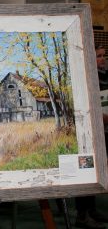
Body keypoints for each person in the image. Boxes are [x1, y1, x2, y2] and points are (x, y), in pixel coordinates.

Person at [74, 45, 108, 229]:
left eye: (103, 56)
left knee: (96, 173)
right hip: (87, 136)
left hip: (102, 132)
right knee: (85, 172)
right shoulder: (82, 79)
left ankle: (92, 210)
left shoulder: (102, 77)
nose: (103, 59)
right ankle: (82, 215)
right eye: (98, 56)